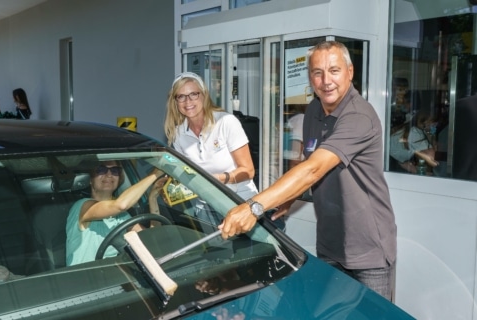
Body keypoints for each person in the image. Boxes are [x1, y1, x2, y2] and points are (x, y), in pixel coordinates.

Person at [220, 41, 397, 301]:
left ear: (350, 72)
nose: (326, 81)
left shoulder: (359, 116)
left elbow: (314, 169)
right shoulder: (314, 110)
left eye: (334, 71)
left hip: (368, 252)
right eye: (317, 72)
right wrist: (287, 200)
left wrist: (253, 207)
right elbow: (307, 161)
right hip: (330, 245)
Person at [164, 72, 258, 200]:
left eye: (193, 94)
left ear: (204, 95)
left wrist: (218, 179)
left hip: (240, 201)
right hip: (205, 204)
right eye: (181, 96)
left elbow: (248, 171)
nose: (188, 101)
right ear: (175, 101)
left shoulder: (226, 122)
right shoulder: (178, 134)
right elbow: (186, 174)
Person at [66, 161, 167, 266]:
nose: (109, 175)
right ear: (90, 179)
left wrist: (153, 198)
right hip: (84, 278)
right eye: (101, 170)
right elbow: (121, 205)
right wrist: (155, 173)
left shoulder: (122, 216)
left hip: (112, 277)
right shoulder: (83, 206)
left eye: (115, 171)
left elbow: (151, 240)